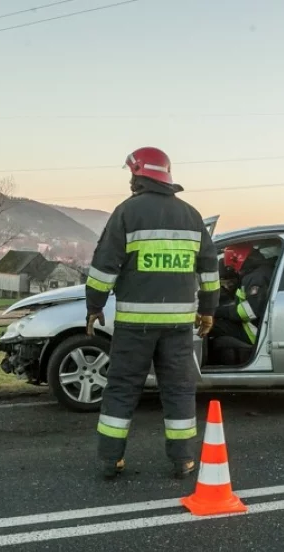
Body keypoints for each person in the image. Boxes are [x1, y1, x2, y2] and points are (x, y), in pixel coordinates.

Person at [85, 146, 219, 480]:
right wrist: (208, 311)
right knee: (178, 390)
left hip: (135, 325)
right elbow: (210, 270)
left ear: (139, 175)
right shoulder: (191, 215)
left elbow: (104, 266)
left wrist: (94, 305)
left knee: (122, 389)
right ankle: (183, 460)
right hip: (177, 326)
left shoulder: (127, 213)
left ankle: (109, 459)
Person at [209, 243, 275, 347]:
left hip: (253, 332)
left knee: (210, 325)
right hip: (257, 326)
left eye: (233, 268)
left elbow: (248, 312)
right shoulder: (262, 272)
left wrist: (216, 311)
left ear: (238, 260)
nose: (235, 271)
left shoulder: (256, 278)